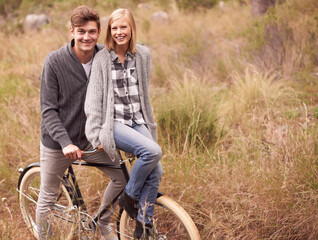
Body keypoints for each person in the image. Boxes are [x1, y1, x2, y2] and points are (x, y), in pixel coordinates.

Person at [38, 5, 126, 240]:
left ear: (99, 32)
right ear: (72, 32)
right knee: (47, 199)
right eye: (81, 31)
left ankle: (103, 222)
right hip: (58, 143)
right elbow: (48, 110)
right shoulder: (54, 61)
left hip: (92, 140)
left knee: (123, 176)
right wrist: (66, 143)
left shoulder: (105, 57)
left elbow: (113, 100)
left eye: (91, 31)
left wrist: (102, 135)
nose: (86, 37)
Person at [84, 8, 163, 239]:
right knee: (153, 151)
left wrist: (148, 125)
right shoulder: (101, 59)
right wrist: (97, 136)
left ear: (131, 29)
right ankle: (128, 196)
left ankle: (143, 226)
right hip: (114, 123)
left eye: (123, 27)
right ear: (109, 31)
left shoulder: (143, 55)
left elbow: (143, 94)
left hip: (137, 120)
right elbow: (93, 101)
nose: (119, 32)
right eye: (114, 28)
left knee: (156, 169)